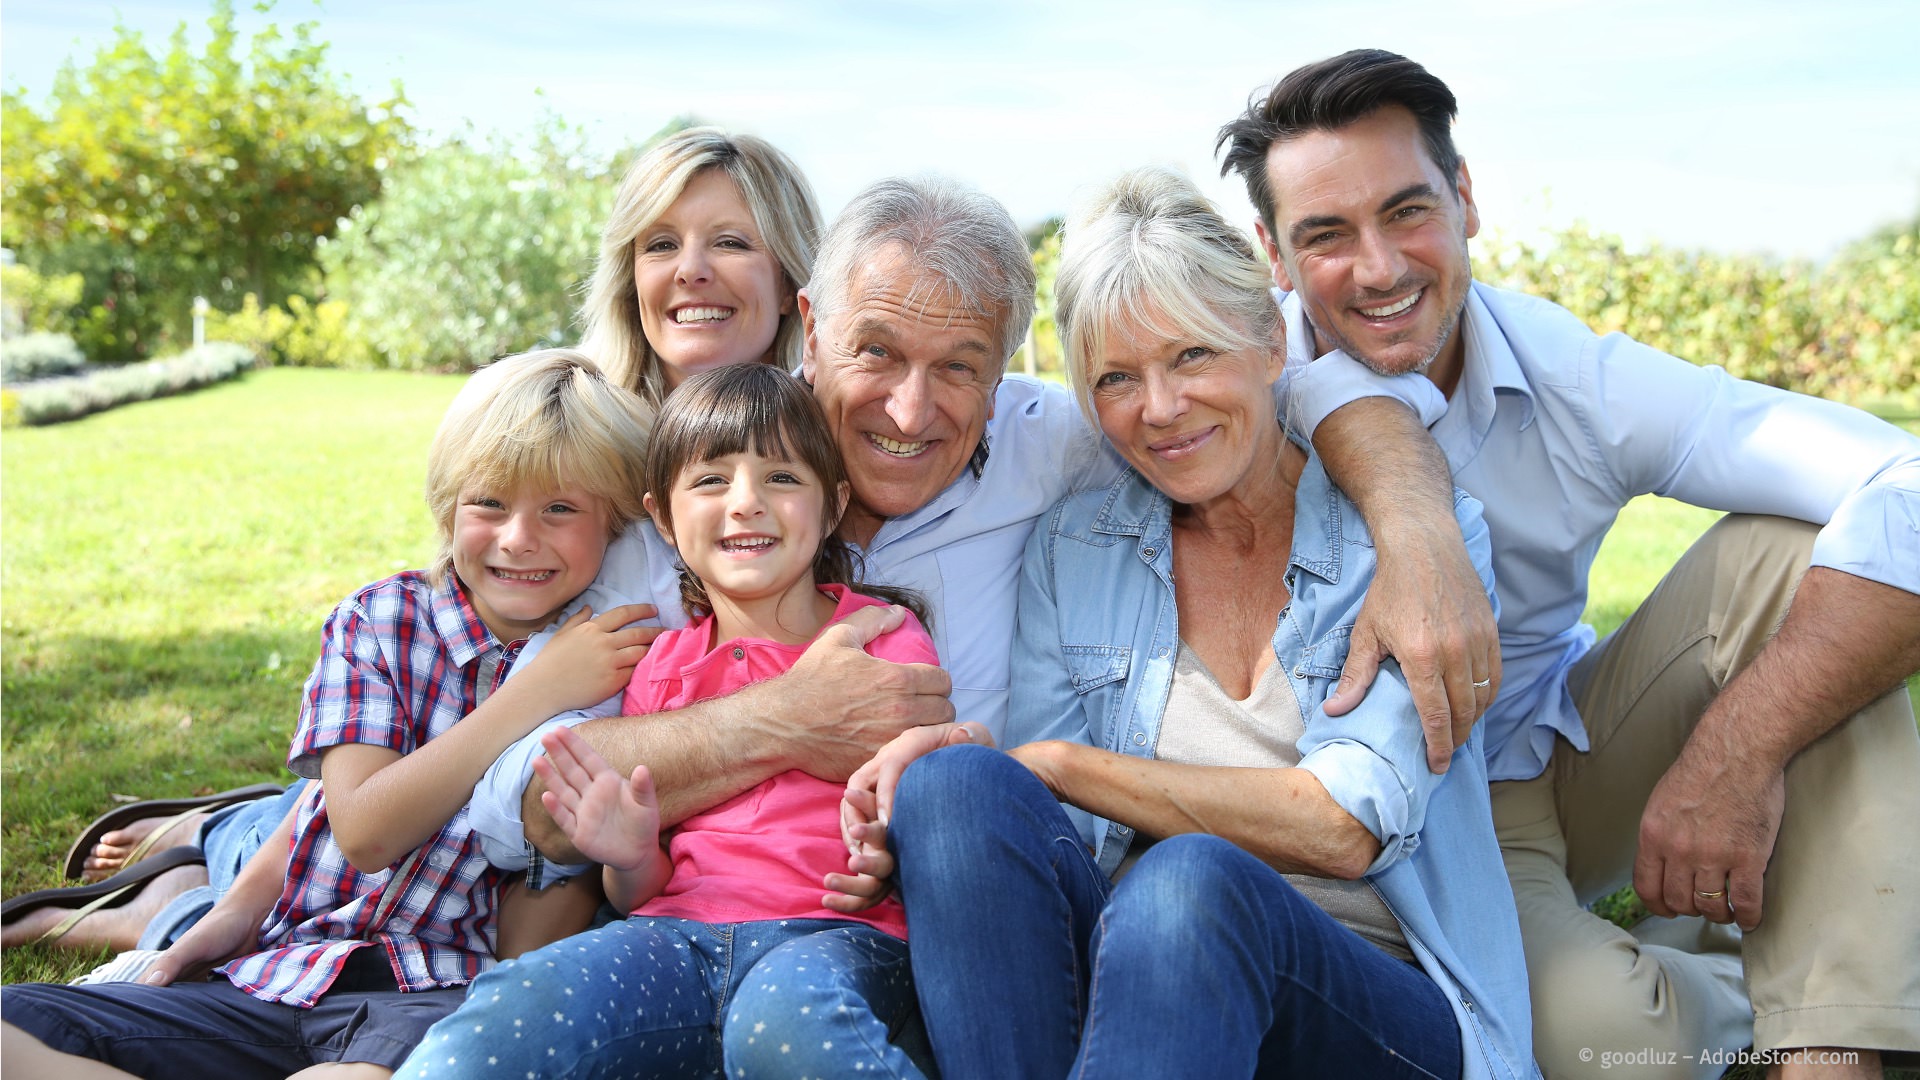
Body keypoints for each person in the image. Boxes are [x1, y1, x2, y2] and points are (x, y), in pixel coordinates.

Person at [468, 174, 1501, 901]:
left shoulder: (1056, 443)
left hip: (966, 914)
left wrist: (1415, 527)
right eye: (875, 352)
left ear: (1007, 371)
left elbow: (1261, 389)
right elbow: (531, 811)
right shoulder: (706, 495)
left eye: (959, 366)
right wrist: (781, 720)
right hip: (705, 924)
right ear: (812, 329)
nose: (912, 413)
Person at [1215, 49, 1920, 1078]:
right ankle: (1716, 971)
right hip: (1326, 819)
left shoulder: (1580, 381)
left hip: (1523, 780)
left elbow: (1902, 477)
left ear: (1464, 200)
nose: (1377, 267)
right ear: (1274, 258)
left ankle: (1831, 1038)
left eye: (1407, 210)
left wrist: (1737, 749)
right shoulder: (1225, 392)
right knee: (1613, 1050)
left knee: (1797, 553)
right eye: (1325, 234)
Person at [8, 124, 826, 960]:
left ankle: (212, 839)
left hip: (582, 844)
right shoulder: (575, 424)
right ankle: (201, 850)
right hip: (479, 811)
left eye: (729, 241)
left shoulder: (822, 459)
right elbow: (421, 695)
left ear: (794, 276)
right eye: (661, 243)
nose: (690, 268)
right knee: (298, 855)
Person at [855, 167, 1537, 1080]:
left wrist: (1061, 766)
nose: (1161, 409)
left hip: (1376, 1002)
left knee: (1189, 883)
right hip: (1148, 992)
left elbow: (1345, 827)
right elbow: (1042, 823)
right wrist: (981, 763)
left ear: (1267, 342)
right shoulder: (1078, 546)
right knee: (955, 786)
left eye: (1191, 356)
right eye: (1117, 378)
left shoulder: (1414, 549)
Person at [0, 349, 656, 1079]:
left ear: (617, 523)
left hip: (427, 997)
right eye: (489, 503)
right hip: (281, 971)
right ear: (446, 504)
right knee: (16, 1024)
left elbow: (546, 900)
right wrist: (533, 694)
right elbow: (366, 829)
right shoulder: (380, 622)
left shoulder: (617, 658)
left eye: (561, 509)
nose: (518, 538)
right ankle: (183, 880)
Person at [399, 363, 938, 1079]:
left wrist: (888, 851)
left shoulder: (881, 634)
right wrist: (626, 853)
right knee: (516, 1007)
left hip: (835, 934)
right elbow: (641, 886)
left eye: (781, 478)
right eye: (711, 480)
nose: (745, 504)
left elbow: (927, 779)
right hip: (675, 938)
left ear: (833, 503)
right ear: (662, 517)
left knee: (782, 1025)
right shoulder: (661, 664)